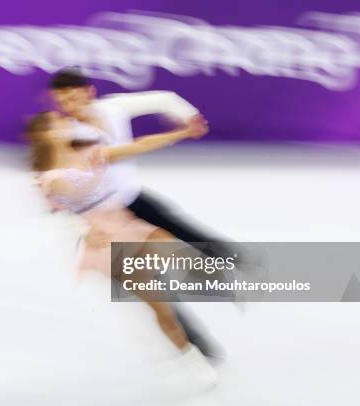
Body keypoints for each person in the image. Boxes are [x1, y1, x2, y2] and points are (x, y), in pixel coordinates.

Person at [48, 68, 229, 359]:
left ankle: (228, 268)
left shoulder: (110, 112)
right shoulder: (69, 139)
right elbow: (59, 196)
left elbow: (157, 109)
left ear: (88, 93)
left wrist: (187, 120)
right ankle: (196, 345)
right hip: (106, 224)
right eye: (62, 102)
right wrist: (80, 229)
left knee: (183, 236)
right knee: (152, 289)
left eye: (72, 98)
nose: (68, 107)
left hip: (131, 201)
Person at [26, 110, 217, 382]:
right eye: (59, 122)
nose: (69, 124)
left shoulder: (89, 151)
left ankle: (214, 284)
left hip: (128, 226)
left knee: (170, 246)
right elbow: (68, 205)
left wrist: (182, 132)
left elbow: (140, 145)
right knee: (161, 308)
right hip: (106, 243)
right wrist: (82, 228)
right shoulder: (50, 177)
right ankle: (189, 359)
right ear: (46, 134)